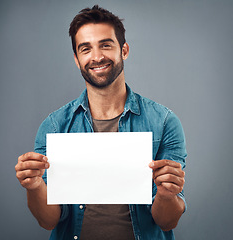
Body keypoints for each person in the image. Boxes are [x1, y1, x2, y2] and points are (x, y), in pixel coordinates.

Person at [15, 5, 187, 240]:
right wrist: (34, 186)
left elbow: (167, 221)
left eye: (106, 45)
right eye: (86, 49)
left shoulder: (164, 122)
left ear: (124, 50)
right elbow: (48, 221)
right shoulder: (54, 126)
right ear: (77, 59)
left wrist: (168, 195)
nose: (97, 57)